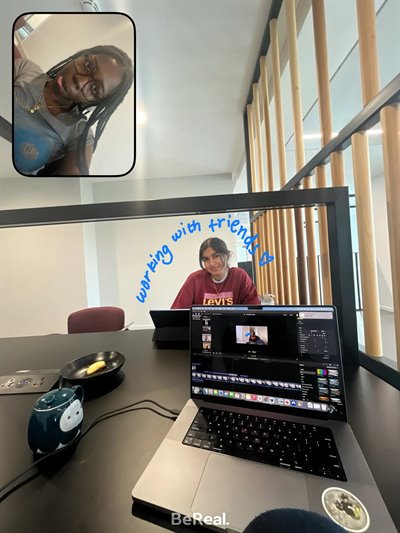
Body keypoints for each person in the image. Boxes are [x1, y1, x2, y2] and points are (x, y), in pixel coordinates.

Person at [13, 44, 134, 176]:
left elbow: (72, 187)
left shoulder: (79, 133)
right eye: (88, 66)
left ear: (95, 102)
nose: (80, 81)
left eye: (94, 89)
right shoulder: (26, 70)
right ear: (79, 56)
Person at [171, 237, 261, 308]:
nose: (211, 263)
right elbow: (177, 313)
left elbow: (254, 310)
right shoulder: (195, 279)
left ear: (227, 255)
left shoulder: (240, 276)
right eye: (206, 259)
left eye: (216, 256)